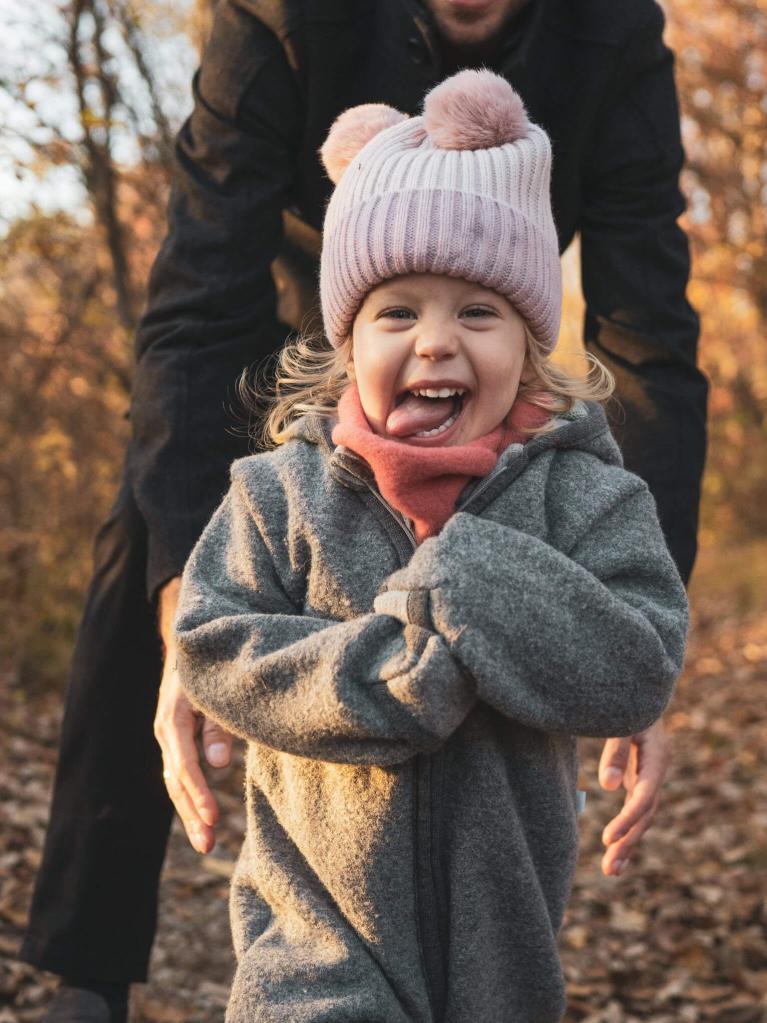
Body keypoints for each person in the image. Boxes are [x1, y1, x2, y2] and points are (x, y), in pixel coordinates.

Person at [22, 1, 708, 1020]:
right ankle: (87, 976)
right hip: (306, 310)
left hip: (502, 295)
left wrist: (644, 661)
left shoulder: (607, 31)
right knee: (149, 522)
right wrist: (185, 618)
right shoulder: (282, 14)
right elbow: (196, 309)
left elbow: (646, 331)